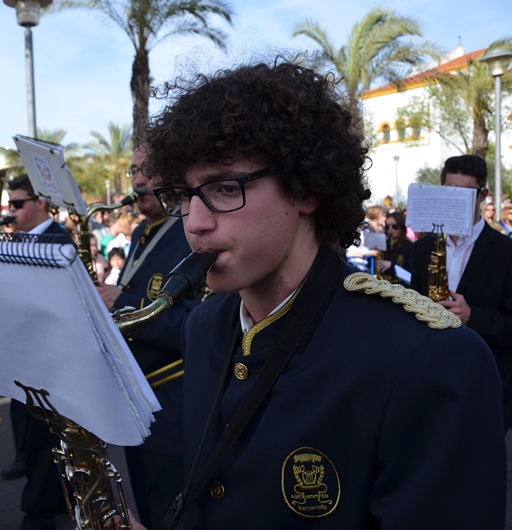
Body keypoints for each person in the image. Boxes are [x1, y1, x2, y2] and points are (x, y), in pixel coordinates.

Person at [134, 61, 504, 529]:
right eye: (183, 196)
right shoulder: (204, 326)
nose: (194, 222)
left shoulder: (433, 360)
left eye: (225, 188)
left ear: (305, 188)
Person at [96, 147, 200, 530]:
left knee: (167, 506)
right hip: (137, 397)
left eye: (148, 171)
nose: (137, 181)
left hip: (173, 400)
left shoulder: (191, 230)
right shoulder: (142, 231)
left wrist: (122, 303)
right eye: (134, 171)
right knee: (142, 494)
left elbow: (197, 327)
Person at [410, 155, 512, 428]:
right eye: (450, 192)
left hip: (486, 386)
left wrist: (472, 317)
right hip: (431, 380)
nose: (456, 200)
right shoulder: (422, 249)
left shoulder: (506, 252)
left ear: (483, 195)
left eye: (466, 193)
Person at [6, 173, 73, 530]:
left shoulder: (56, 241)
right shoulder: (27, 240)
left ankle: (39, 512)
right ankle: (53, 500)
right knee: (31, 435)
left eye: (17, 204)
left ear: (40, 204)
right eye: (10, 204)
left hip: (47, 358)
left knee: (44, 440)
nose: (11, 211)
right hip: (26, 352)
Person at [375, 211, 413, 285]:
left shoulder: (410, 246)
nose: (390, 229)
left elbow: (410, 275)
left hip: (402, 287)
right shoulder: (385, 244)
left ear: (401, 227)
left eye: (394, 226)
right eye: (387, 226)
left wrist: (392, 266)